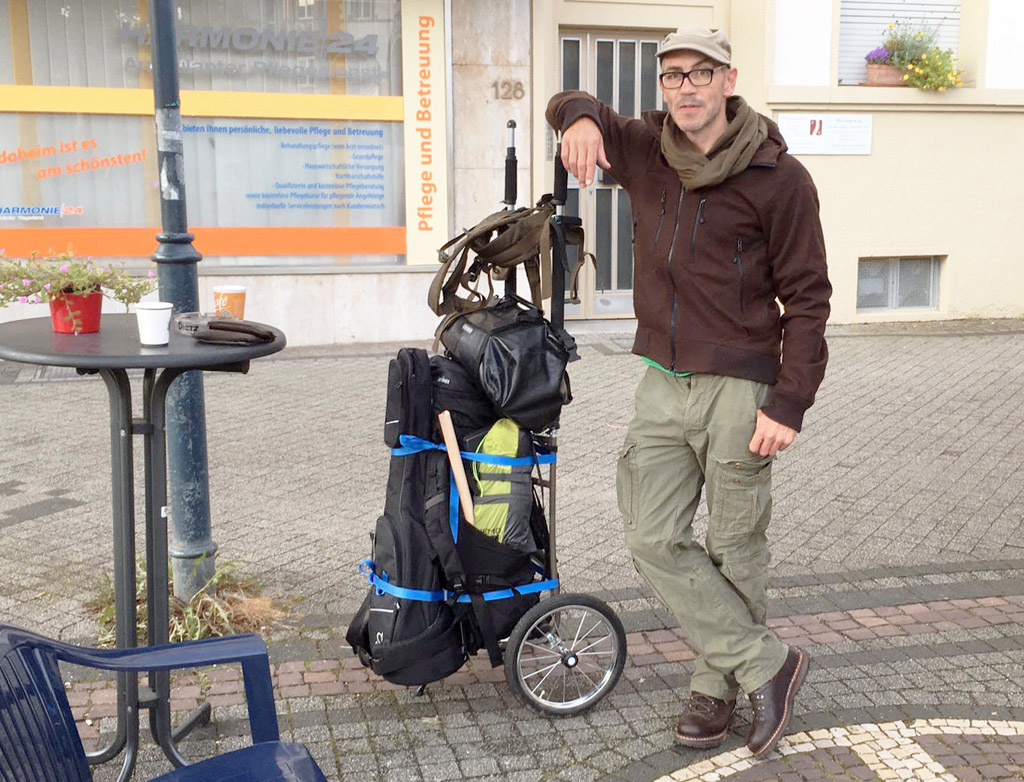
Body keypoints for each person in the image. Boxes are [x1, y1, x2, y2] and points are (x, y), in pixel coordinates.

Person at [546, 26, 831, 757]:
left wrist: (789, 401)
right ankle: (768, 664)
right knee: (650, 535)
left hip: (742, 385)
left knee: (735, 546)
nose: (685, 88)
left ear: (729, 79)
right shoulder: (644, 149)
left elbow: (808, 298)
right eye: (672, 76)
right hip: (661, 382)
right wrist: (576, 116)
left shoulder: (779, 179)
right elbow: (570, 102)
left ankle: (714, 688)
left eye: (700, 73)